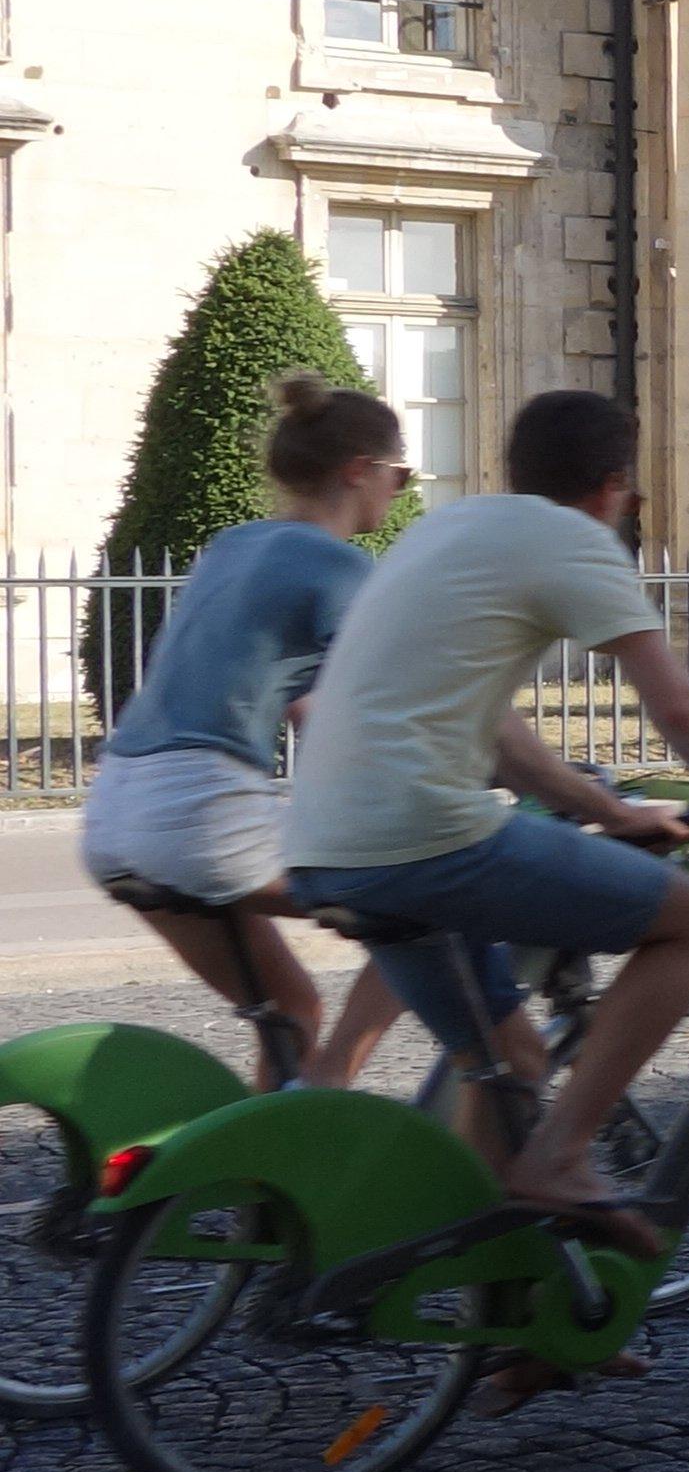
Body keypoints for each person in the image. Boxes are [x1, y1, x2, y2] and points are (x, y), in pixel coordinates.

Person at [277, 390, 689, 1237]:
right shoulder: (574, 540)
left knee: (508, 1059)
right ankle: (562, 1154)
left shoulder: (451, 527)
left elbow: (503, 743)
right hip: (424, 837)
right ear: (615, 485)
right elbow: (682, 711)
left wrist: (612, 814)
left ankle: (506, 1327)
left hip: (323, 841)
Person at [76, 373, 414, 1089]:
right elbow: (380, 707)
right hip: (199, 810)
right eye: (400, 473)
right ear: (360, 470)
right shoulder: (341, 564)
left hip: (113, 813)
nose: (402, 489)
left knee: (291, 1005)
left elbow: (307, 706)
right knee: (427, 899)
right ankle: (326, 1097)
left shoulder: (232, 546)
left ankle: (271, 1177)